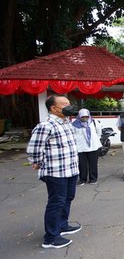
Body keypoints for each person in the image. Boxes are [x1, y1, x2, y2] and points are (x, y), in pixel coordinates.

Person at [27, 95, 81, 249]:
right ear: (54, 108)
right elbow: (34, 148)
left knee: (68, 198)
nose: (69, 106)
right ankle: (50, 237)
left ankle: (62, 226)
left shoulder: (66, 123)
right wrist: (36, 162)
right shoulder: (46, 125)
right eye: (65, 104)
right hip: (55, 172)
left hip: (70, 169)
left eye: (69, 103)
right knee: (56, 202)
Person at [72, 109, 102, 186]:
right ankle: (82, 179)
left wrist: (94, 141)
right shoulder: (74, 125)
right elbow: (72, 136)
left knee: (93, 164)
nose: (85, 118)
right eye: (83, 116)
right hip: (80, 148)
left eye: (86, 116)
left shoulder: (94, 122)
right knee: (82, 164)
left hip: (93, 147)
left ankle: (93, 179)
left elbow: (99, 133)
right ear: (79, 116)